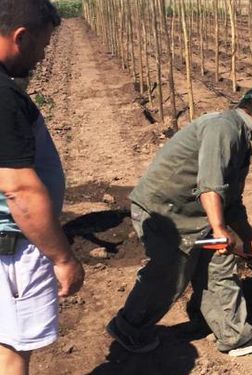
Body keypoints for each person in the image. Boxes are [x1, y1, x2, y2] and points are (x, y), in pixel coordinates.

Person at [106, 84, 252, 356]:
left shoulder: (239, 140)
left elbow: (231, 201)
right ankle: (128, 326)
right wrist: (218, 228)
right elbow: (210, 186)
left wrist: (248, 239)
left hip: (191, 214)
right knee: (171, 273)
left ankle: (233, 335)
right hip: (163, 212)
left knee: (219, 262)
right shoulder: (224, 128)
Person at [0, 1, 85, 374]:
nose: (42, 56)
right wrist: (62, 258)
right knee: (12, 351)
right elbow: (19, 189)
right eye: (42, 46)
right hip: (12, 250)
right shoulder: (3, 98)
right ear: (21, 37)